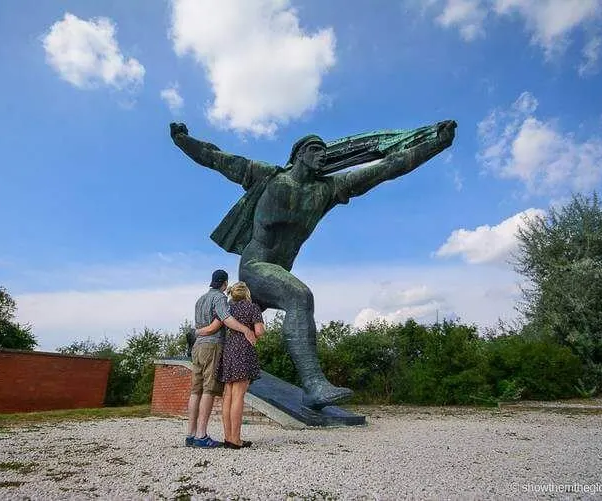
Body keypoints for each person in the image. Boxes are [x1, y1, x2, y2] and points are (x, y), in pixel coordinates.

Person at [170, 120, 456, 408]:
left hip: (278, 272)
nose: (322, 155)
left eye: (324, 151)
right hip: (256, 265)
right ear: (299, 155)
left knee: (231, 322)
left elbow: (387, 168)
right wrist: (183, 139)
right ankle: (314, 385)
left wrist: (435, 143)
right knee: (299, 297)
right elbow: (215, 158)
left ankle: (195, 338)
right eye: (315, 149)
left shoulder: (329, 189)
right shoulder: (268, 176)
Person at [185, 269, 256, 448]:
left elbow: (201, 327)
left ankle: (190, 434)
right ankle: (201, 436)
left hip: (197, 347)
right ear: (224, 283)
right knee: (208, 390)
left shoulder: (200, 299)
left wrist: (197, 332)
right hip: (212, 346)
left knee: (195, 391)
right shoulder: (220, 298)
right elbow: (225, 320)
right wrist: (246, 329)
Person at [203, 281, 265, 449]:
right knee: (238, 396)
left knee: (228, 395)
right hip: (243, 351)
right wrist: (254, 332)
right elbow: (259, 331)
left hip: (228, 350)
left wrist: (199, 332)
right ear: (246, 294)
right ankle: (236, 440)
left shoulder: (227, 308)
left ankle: (228, 437)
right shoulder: (252, 308)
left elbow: (214, 327)